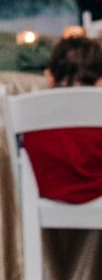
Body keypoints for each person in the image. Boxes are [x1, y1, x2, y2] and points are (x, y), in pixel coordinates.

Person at [23, 31, 102, 206]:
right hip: (97, 192)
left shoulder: (29, 112)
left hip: (49, 193)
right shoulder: (97, 112)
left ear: (49, 77)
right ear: (100, 81)